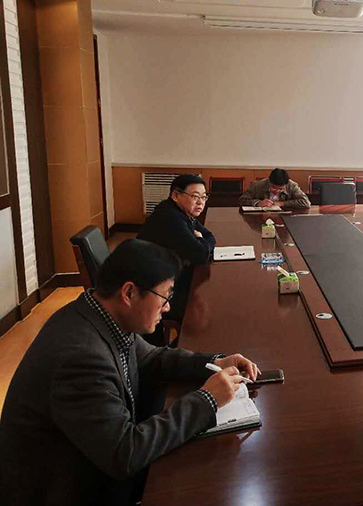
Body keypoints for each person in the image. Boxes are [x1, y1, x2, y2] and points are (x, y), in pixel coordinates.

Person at [0, 239, 261, 505]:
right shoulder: (81, 357)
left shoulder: (99, 314)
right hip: (67, 491)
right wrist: (207, 400)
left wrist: (216, 362)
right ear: (129, 293)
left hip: (92, 467)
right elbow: (124, 453)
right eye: (165, 296)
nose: (168, 307)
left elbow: (152, 358)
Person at [137, 174, 216, 329]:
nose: (200, 202)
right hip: (151, 288)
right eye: (195, 196)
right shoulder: (170, 217)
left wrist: (200, 239)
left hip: (166, 276)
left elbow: (210, 236)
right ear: (175, 196)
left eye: (204, 197)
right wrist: (200, 241)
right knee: (207, 303)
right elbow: (200, 254)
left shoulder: (183, 213)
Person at [239, 168, 311, 209]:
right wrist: (258, 203)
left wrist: (282, 203)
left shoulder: (292, 186)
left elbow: (306, 203)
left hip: (285, 217)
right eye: (274, 187)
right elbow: (242, 200)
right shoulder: (258, 185)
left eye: (281, 189)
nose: (277, 191)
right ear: (269, 181)